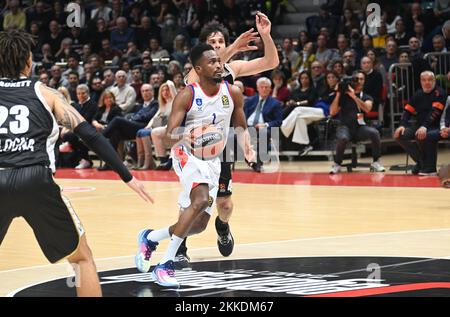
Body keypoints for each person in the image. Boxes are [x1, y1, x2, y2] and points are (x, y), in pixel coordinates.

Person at [0, 30, 153, 297]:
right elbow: (90, 134)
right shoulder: (46, 94)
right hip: (36, 181)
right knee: (82, 259)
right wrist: (127, 175)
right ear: (28, 61)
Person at [135, 44, 254, 287]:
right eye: (211, 62)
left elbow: (241, 127)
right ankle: (165, 265)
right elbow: (167, 137)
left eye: (219, 61)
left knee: (198, 225)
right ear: (198, 69)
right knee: (199, 201)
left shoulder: (232, 93)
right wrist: (182, 136)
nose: (218, 65)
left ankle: (150, 238)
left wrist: (248, 147)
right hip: (186, 153)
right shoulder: (187, 94)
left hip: (214, 159)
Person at [177, 12, 278, 266]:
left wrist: (265, 35)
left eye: (221, 42)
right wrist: (233, 48)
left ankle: (222, 227)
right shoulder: (194, 74)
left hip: (223, 145)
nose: (217, 47)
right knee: (192, 200)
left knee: (225, 204)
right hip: (193, 145)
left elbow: (271, 62)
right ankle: (180, 247)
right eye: (212, 43)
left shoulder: (233, 71)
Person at [329, 70, 386, 174]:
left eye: (361, 79)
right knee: (343, 138)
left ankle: (376, 161)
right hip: (344, 126)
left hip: (360, 128)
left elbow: (367, 109)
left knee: (375, 133)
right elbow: (332, 112)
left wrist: (354, 96)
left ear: (364, 81)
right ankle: (337, 163)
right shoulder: (343, 96)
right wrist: (338, 94)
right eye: (357, 79)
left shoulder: (366, 96)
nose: (359, 81)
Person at [394, 71, 447, 175]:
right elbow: (407, 110)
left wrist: (424, 126)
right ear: (420, 81)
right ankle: (422, 162)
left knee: (422, 135)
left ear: (434, 81)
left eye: (430, 80)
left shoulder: (439, 93)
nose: (427, 83)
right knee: (399, 136)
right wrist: (402, 125)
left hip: (436, 126)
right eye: (424, 80)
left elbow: (435, 112)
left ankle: (429, 167)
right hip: (419, 126)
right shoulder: (418, 94)